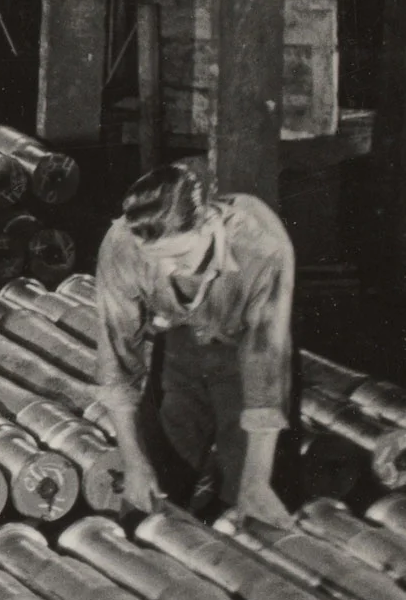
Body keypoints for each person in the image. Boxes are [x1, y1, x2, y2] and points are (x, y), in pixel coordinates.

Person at [93, 159, 295, 525]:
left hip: (242, 352)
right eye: (155, 259)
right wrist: (134, 464)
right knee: (146, 500)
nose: (168, 270)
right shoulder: (122, 245)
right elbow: (117, 365)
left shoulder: (261, 247)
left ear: (209, 224)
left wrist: (255, 481)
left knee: (249, 503)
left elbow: (265, 363)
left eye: (179, 256)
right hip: (179, 343)